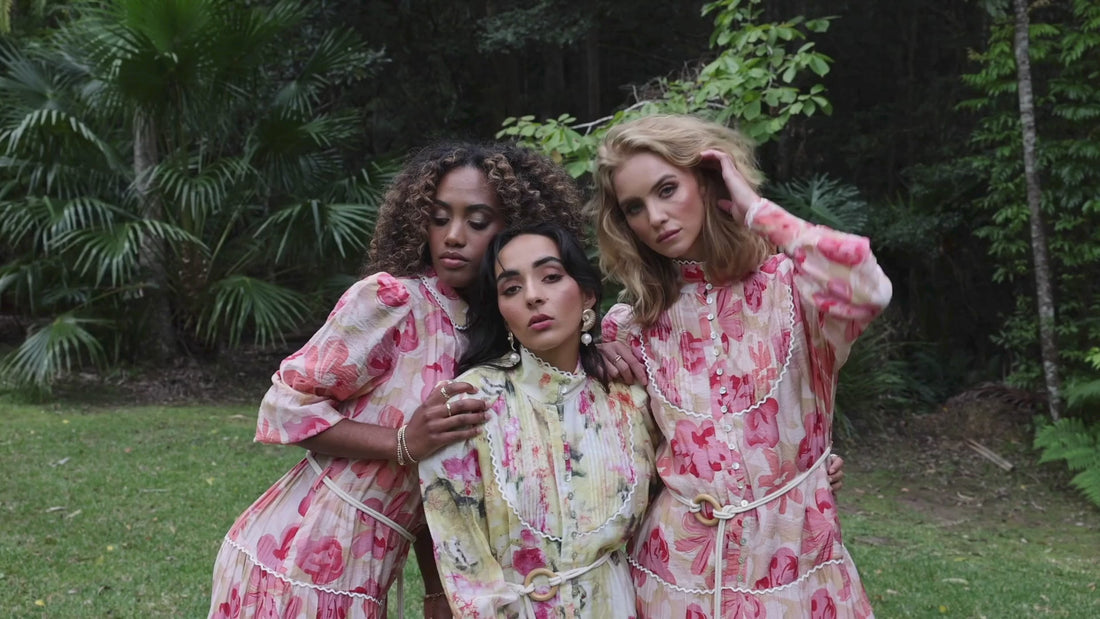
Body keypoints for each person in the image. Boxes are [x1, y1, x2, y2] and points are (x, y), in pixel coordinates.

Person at [208, 142, 587, 619]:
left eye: (477, 221)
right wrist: (403, 442)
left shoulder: (499, 333)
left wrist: (437, 594)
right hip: (294, 560)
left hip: (369, 576)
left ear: (512, 228)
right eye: (439, 217)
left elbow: (446, 479)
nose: (453, 236)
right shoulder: (393, 302)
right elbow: (284, 407)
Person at [591, 114, 891, 618]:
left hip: (797, 566)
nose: (656, 217)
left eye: (668, 189)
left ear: (707, 182)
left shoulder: (794, 289)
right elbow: (629, 461)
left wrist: (755, 210)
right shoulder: (630, 325)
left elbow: (868, 287)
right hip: (672, 577)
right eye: (635, 208)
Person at [418, 223, 657, 618]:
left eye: (550, 277)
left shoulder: (630, 399)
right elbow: (463, 563)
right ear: (501, 310)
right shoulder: (470, 402)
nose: (532, 296)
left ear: (587, 296)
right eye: (511, 288)